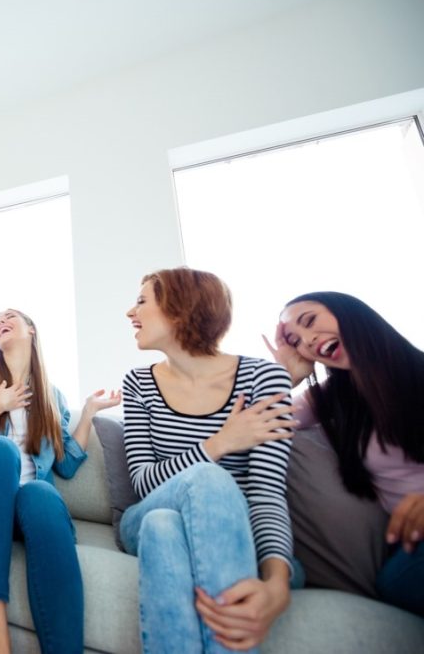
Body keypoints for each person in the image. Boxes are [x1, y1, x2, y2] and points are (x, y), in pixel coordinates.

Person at [121, 267, 297, 653]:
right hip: (146, 508)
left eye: (141, 302)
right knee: (205, 478)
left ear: (180, 309)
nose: (129, 313)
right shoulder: (138, 383)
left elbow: (267, 493)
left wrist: (277, 584)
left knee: (164, 527)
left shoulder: (265, 379)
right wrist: (219, 443)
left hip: (231, 530)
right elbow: (144, 482)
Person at [0, 308, 119, 654]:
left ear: (32, 330)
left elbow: (65, 465)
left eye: (9, 316)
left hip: (21, 509)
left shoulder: (53, 397)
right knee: (1, 451)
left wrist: (89, 412)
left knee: (40, 492)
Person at [265, 291, 423, 616]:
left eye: (310, 321)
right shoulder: (326, 399)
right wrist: (287, 376)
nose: (308, 341)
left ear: (349, 312)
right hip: (413, 547)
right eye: (296, 340)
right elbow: (255, 425)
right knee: (397, 583)